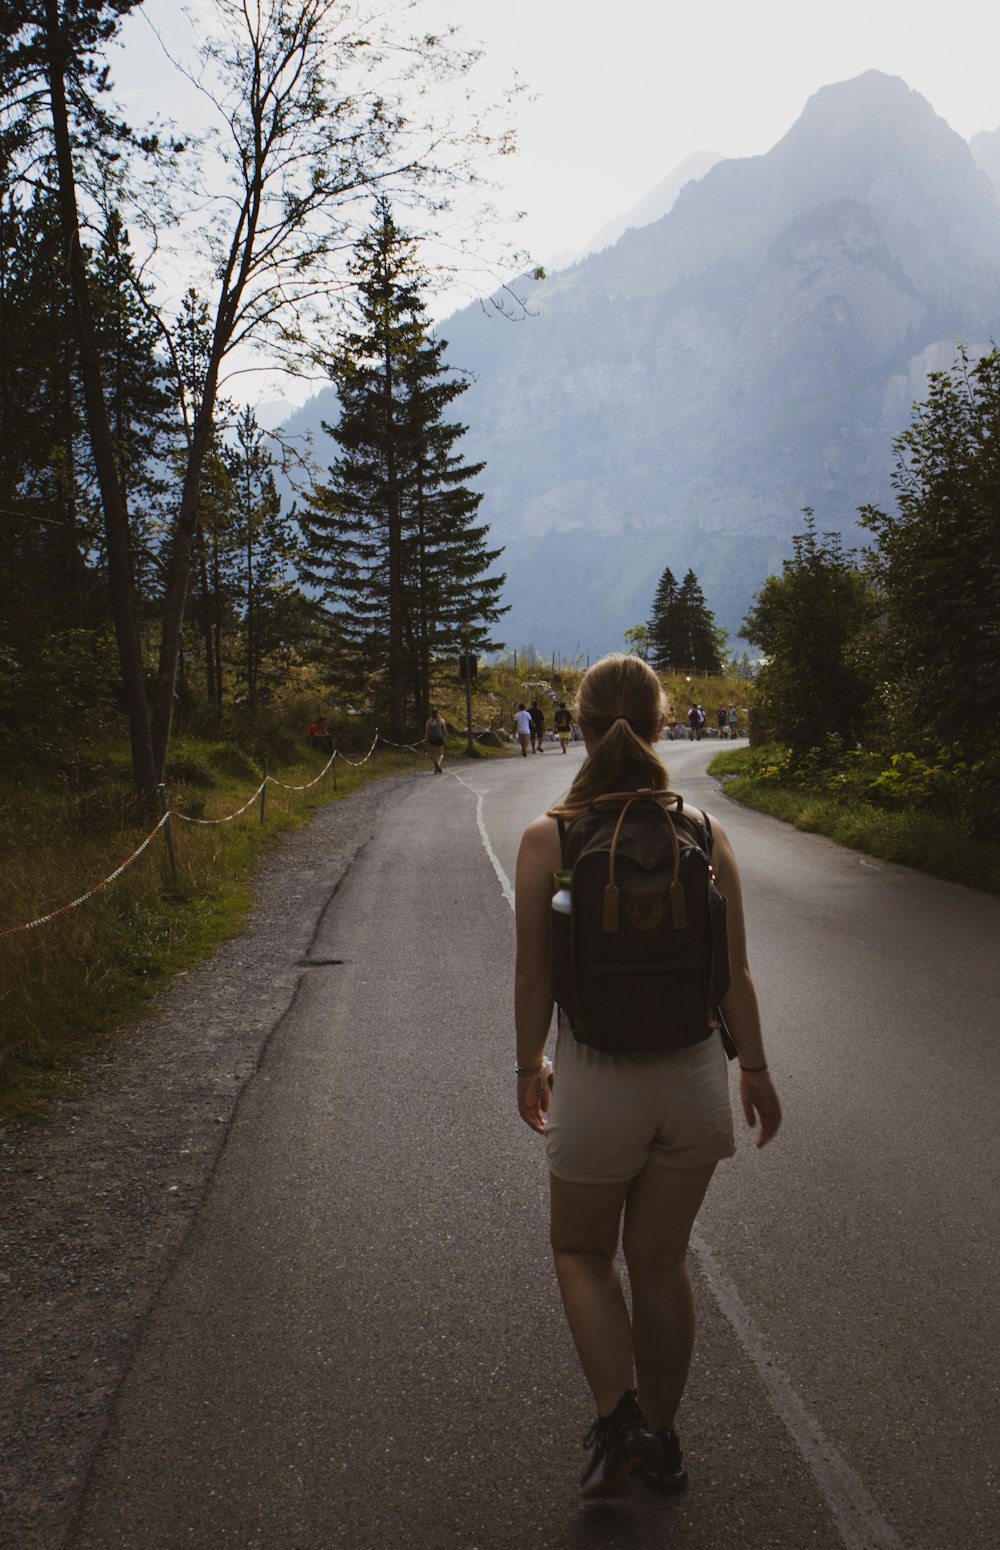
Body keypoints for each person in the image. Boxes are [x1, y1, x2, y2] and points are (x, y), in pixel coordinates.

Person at [513, 653, 780, 1499]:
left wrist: (530, 1064)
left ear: (581, 729)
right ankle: (660, 1442)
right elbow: (736, 973)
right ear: (665, 725)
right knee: (661, 1261)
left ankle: (617, 1417)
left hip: (598, 1075)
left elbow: (533, 979)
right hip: (696, 1074)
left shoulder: (548, 837)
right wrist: (758, 1071)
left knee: (581, 1248)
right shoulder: (703, 829)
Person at [424, 707, 447, 774]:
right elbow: (445, 731)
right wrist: (445, 738)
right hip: (439, 739)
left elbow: (426, 732)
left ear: (431, 713)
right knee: (441, 754)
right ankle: (438, 764)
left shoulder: (428, 721)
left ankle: (436, 765)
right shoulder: (441, 720)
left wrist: (426, 739)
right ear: (437, 713)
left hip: (432, 739)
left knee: (433, 754)